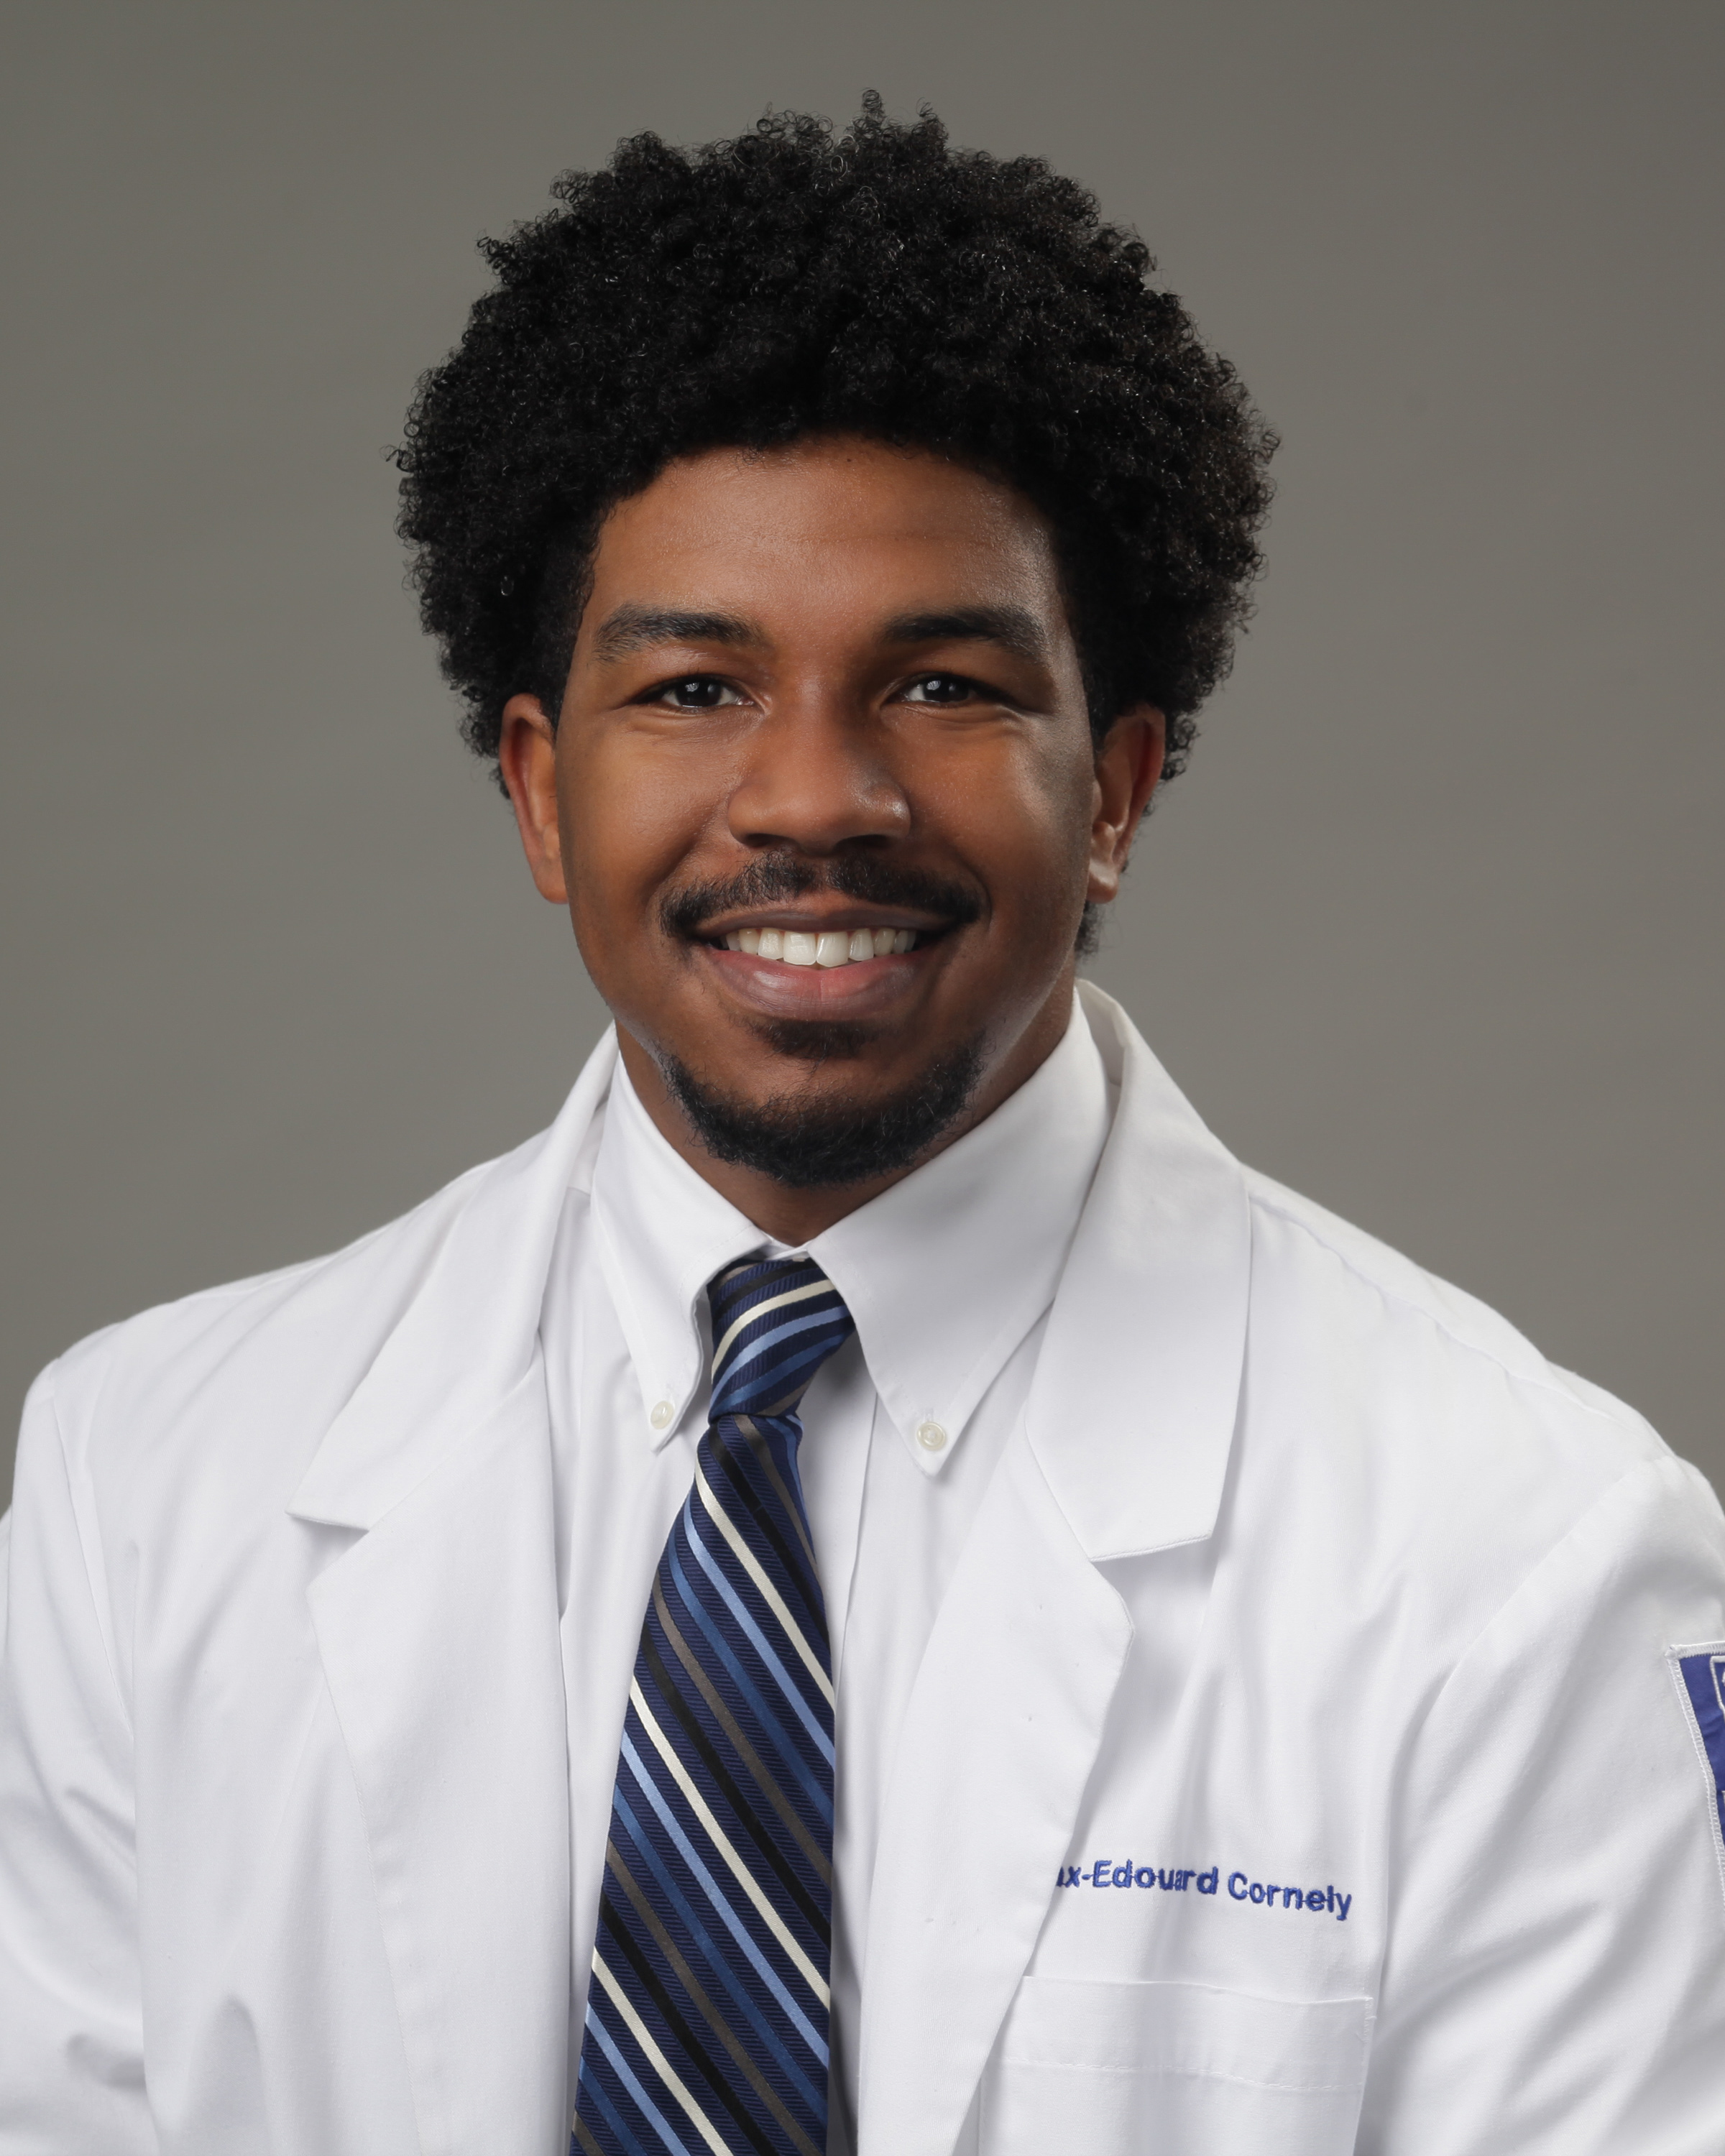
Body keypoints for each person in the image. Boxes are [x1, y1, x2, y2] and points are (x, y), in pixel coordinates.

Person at [1, 98, 1720, 2156]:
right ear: (542, 791)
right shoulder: (146, 1487)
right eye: (695, 689)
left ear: (1118, 791)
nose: (814, 795)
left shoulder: (1529, 1553)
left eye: (945, 684)